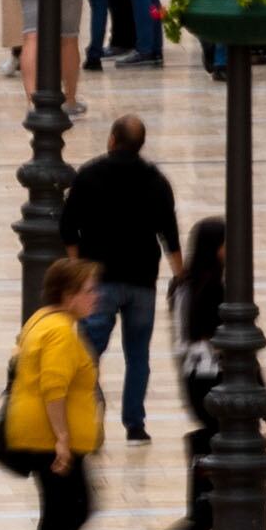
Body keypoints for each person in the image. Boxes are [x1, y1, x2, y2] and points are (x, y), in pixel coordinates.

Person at [58, 117, 179, 444]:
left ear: (112, 139)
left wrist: (76, 266)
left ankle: (88, 420)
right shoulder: (156, 181)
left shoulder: (89, 175)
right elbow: (170, 234)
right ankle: (135, 426)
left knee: (88, 355)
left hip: (99, 281)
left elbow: (68, 226)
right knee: (138, 356)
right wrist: (180, 276)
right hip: (142, 282)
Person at [4, 259, 106, 530]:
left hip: (37, 433)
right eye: (89, 290)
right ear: (68, 295)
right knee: (70, 509)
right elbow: (53, 388)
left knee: (64, 510)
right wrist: (62, 440)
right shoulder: (61, 331)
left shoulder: (42, 319)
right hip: (50, 439)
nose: (96, 296)